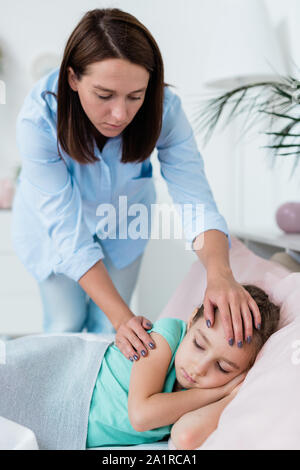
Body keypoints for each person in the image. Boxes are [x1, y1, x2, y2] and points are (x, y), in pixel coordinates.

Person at [11, 8, 261, 363]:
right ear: (72, 78)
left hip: (125, 223)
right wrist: (122, 318)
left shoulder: (165, 109)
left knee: (107, 330)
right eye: (104, 94)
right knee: (65, 322)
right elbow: (67, 231)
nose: (120, 115)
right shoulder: (39, 119)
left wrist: (220, 274)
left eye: (135, 96)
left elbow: (194, 198)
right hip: (54, 230)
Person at [0, 284, 279, 450]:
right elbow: (142, 415)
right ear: (193, 318)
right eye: (199, 344)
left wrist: (230, 396)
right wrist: (218, 392)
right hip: (53, 377)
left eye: (223, 366)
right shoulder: (168, 335)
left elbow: (185, 437)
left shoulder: (212, 395)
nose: (198, 369)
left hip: (55, 423)